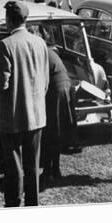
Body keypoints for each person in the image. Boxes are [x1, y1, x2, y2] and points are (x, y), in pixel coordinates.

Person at [0, 1, 49, 207]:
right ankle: (33, 202)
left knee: (14, 164)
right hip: (36, 113)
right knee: (33, 164)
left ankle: (14, 202)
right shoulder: (40, 42)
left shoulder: (6, 44)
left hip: (13, 114)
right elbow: (45, 80)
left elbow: (2, 83)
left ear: (9, 19)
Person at [41, 45, 77, 185]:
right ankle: (54, 169)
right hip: (62, 87)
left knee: (51, 131)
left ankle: (50, 170)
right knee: (55, 131)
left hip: (56, 89)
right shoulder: (46, 50)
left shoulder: (40, 50)